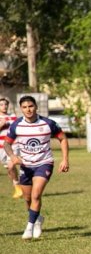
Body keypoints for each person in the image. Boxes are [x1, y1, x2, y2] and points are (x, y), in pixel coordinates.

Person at [3, 95, 70, 239]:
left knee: (36, 195)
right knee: (28, 198)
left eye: (31, 106)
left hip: (44, 163)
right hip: (26, 165)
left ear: (36, 107)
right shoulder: (16, 125)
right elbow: (7, 143)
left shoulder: (48, 123)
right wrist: (13, 157)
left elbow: (63, 138)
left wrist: (65, 159)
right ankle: (37, 219)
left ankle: (29, 227)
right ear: (21, 109)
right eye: (25, 107)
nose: (28, 110)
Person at [0, 97, 23, 198]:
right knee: (9, 169)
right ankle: (17, 187)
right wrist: (1, 125)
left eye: (5, 104)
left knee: (11, 165)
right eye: (1, 105)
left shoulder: (13, 116)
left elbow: (19, 129)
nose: (4, 106)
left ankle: (23, 183)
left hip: (13, 145)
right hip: (1, 147)